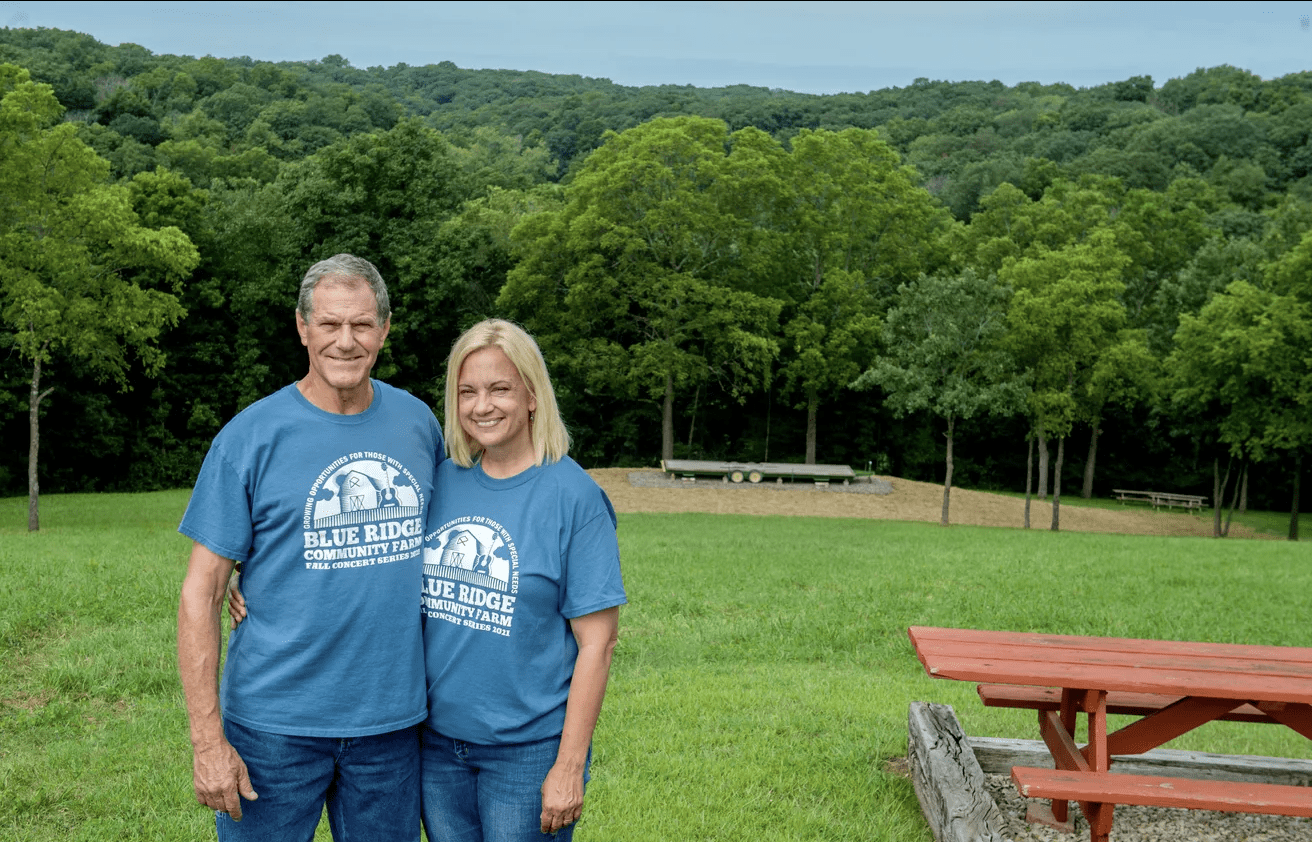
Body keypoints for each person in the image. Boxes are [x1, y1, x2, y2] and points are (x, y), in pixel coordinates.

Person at [177, 253, 443, 842]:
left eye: (361, 325)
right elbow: (201, 592)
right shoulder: (248, 437)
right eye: (329, 324)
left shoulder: (419, 424)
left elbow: (456, 529)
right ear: (302, 327)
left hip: (391, 727)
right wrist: (207, 742)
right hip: (273, 728)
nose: (346, 341)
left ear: (385, 329)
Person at [419, 319, 626, 841]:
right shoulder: (441, 482)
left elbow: (597, 644)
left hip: (529, 753)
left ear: (532, 396)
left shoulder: (574, 496)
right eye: (467, 392)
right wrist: (251, 575)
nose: (481, 405)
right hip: (436, 747)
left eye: (500, 389)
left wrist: (568, 765)